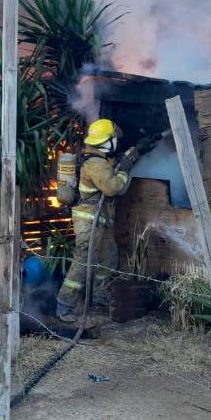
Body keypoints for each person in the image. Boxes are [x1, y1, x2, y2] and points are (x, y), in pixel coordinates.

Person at [56, 119, 139, 322]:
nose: (116, 143)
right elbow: (113, 187)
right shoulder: (95, 163)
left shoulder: (99, 158)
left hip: (99, 218)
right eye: (114, 140)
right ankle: (65, 303)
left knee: (108, 255)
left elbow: (109, 167)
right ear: (107, 142)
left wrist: (128, 156)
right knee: (84, 259)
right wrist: (125, 169)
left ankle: (99, 294)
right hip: (88, 219)